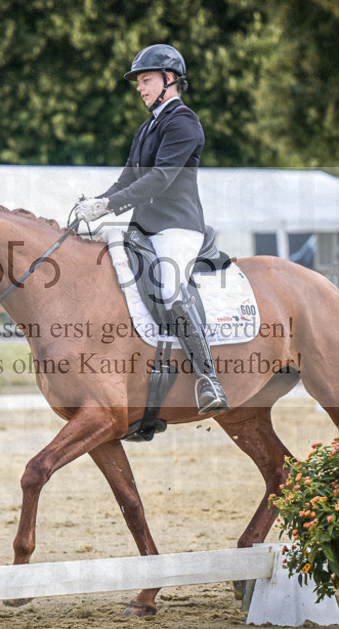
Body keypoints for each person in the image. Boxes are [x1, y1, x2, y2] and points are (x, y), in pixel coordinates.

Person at [72, 43, 227, 415]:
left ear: (169, 79)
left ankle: (209, 380)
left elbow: (159, 179)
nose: (140, 88)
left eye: (146, 80)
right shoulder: (147, 127)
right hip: (144, 229)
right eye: (138, 82)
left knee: (170, 288)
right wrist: (93, 206)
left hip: (178, 228)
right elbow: (128, 177)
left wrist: (109, 206)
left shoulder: (183, 122)